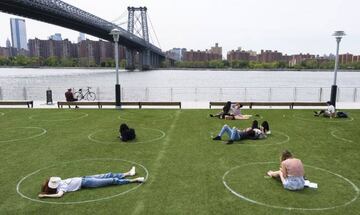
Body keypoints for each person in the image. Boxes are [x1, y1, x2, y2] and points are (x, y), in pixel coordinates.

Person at [38, 166, 144, 198]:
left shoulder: (59, 183)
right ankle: (134, 180)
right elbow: (59, 195)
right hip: (86, 183)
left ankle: (128, 173)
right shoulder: (60, 189)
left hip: (84, 178)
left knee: (108, 174)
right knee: (111, 180)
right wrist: (45, 196)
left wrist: (45, 193)